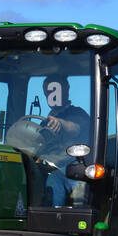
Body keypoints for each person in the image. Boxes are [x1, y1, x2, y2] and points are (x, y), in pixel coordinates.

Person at [32, 75, 89, 207]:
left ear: (66, 90)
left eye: (56, 89)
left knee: (54, 180)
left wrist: (61, 124)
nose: (53, 94)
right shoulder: (44, 122)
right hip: (51, 166)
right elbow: (38, 147)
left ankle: (60, 218)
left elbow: (75, 128)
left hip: (74, 168)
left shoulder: (77, 113)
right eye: (49, 91)